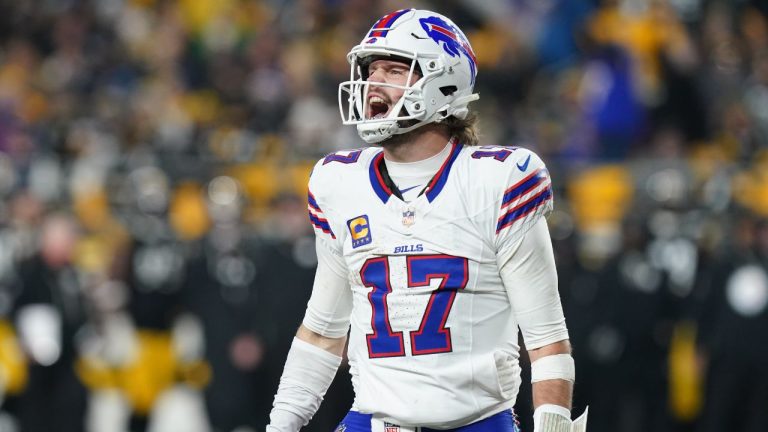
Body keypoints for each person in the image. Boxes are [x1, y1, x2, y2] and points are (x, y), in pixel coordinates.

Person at [267, 8, 587, 432]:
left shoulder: (498, 181)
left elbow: (546, 341)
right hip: (373, 421)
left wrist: (552, 425)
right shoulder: (338, 181)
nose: (372, 84)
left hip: (475, 423)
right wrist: (280, 426)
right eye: (370, 70)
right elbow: (323, 333)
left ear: (444, 82)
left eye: (394, 70)